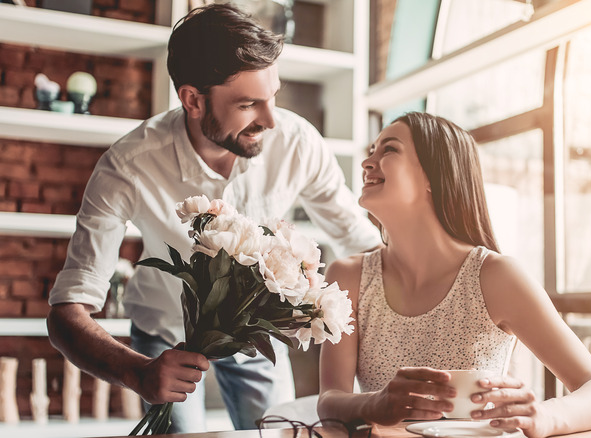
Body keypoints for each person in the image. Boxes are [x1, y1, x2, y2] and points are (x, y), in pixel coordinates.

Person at [46, 3, 381, 433]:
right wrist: (138, 372)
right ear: (193, 100)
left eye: (273, 96)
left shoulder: (298, 143)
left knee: (277, 434)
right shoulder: (127, 165)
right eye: (248, 105)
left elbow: (359, 239)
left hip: (256, 337)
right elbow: (66, 311)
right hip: (164, 334)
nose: (271, 119)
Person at [317, 112, 591, 438]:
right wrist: (374, 404)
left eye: (388, 150)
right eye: (371, 150)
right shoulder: (348, 276)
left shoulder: (496, 276)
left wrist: (545, 417)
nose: (368, 162)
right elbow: (329, 400)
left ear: (434, 176)